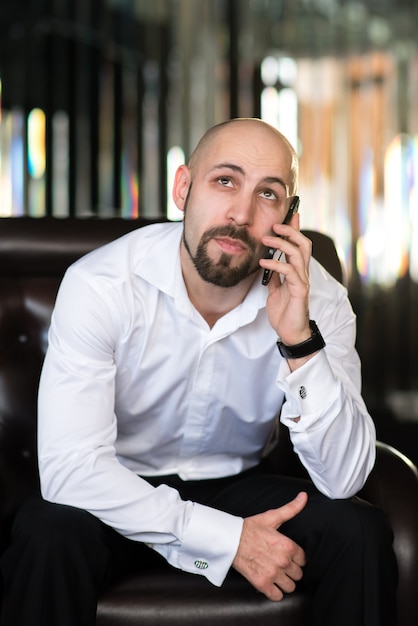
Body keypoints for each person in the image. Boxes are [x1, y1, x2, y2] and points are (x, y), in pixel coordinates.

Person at [0, 118, 397, 625]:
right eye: (225, 181)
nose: (242, 213)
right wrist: (227, 540)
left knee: (357, 532)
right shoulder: (99, 285)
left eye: (269, 194)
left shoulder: (318, 299)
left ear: (290, 218)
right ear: (183, 187)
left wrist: (299, 339)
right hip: (112, 487)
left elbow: (344, 479)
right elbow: (72, 471)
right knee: (48, 533)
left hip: (240, 482)